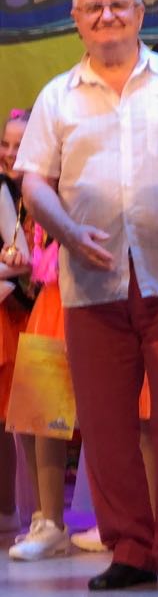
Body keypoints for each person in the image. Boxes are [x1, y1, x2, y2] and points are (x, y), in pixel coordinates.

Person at [15, 0, 158, 593]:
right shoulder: (57, 97)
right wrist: (66, 231)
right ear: (77, 20)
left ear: (140, 13)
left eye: (118, 5)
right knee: (106, 426)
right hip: (92, 284)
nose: (106, 15)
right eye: (94, 7)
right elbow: (34, 181)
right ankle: (132, 548)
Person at [0, 110, 32, 537]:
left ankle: (13, 511)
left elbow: (21, 256)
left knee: (17, 422)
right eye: (5, 144)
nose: (9, 154)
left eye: (18, 146)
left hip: (18, 315)